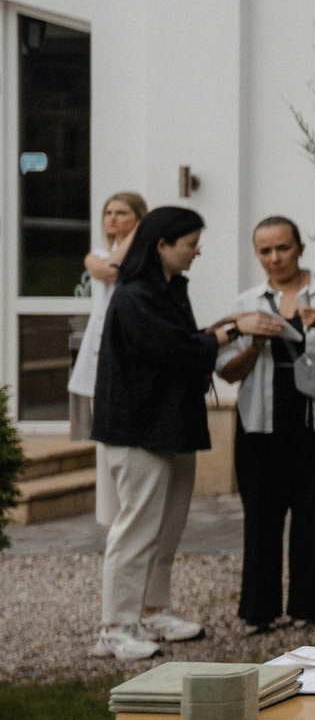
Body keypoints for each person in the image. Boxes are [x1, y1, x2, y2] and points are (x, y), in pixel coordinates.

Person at [89, 206, 246, 663]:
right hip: (138, 430)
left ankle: (154, 610)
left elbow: (185, 346)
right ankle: (115, 627)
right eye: (190, 244)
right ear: (162, 245)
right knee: (136, 528)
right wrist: (231, 331)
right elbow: (172, 349)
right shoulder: (134, 294)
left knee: (167, 529)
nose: (197, 252)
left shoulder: (170, 290)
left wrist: (217, 333)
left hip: (173, 426)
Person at [222, 218, 315, 633]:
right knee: (260, 515)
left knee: (311, 513)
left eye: (282, 248)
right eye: (265, 251)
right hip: (261, 422)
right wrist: (256, 344)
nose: (275, 258)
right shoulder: (248, 301)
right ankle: (258, 612)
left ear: (299, 247)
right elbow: (228, 373)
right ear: (257, 254)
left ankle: (309, 606)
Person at [67, 191, 147, 526]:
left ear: (138, 217)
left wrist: (141, 235)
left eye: (123, 213)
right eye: (108, 213)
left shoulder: (146, 257)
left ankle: (134, 506)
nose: (112, 219)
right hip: (100, 355)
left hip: (133, 355)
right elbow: (108, 270)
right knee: (106, 436)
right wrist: (136, 233)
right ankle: (110, 514)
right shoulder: (96, 255)